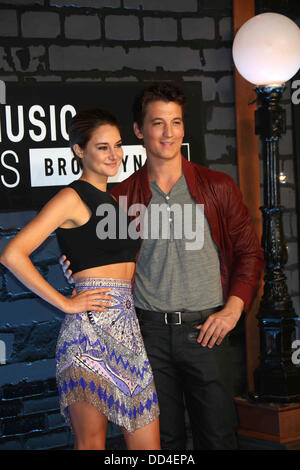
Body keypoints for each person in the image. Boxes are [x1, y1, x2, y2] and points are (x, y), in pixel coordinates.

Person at [61, 82, 265, 450]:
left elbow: (250, 254)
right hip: (146, 334)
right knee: (162, 442)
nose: (168, 133)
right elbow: (97, 256)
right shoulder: (120, 196)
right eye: (158, 123)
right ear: (139, 131)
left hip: (207, 331)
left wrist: (233, 309)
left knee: (218, 437)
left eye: (176, 122)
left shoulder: (218, 186)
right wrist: (76, 268)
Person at [0, 108, 160, 451]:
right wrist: (66, 302)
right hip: (89, 335)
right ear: (79, 151)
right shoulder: (71, 196)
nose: (114, 154)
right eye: (103, 147)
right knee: (90, 444)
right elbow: (12, 254)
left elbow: (101, 256)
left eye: (117, 145)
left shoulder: (112, 201)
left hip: (128, 333)